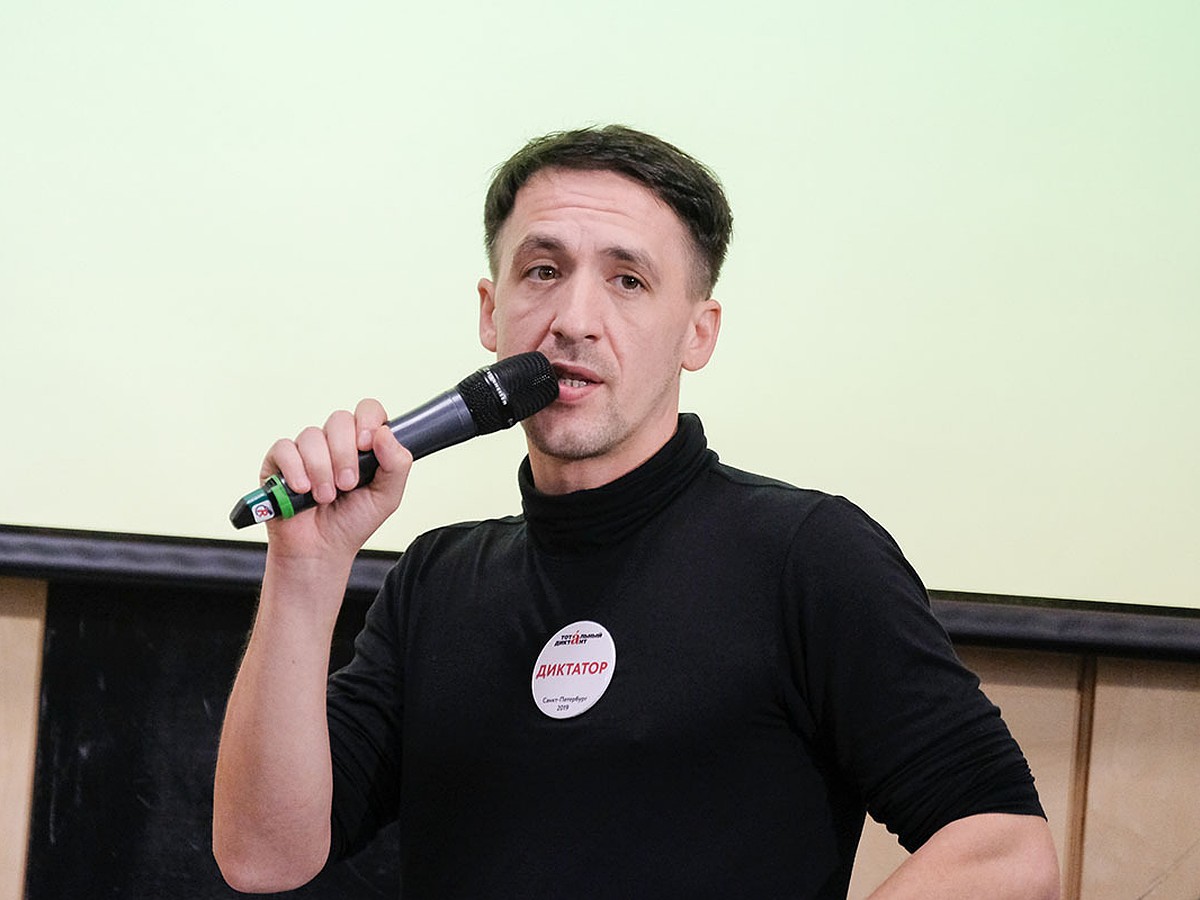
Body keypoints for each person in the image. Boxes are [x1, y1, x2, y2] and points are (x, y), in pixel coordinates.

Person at [213, 125, 1060, 898]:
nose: (574, 321)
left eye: (628, 280)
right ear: (491, 312)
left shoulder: (807, 554)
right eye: (543, 271)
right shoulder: (436, 581)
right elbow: (263, 856)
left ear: (699, 332)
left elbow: (1005, 851)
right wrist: (306, 568)